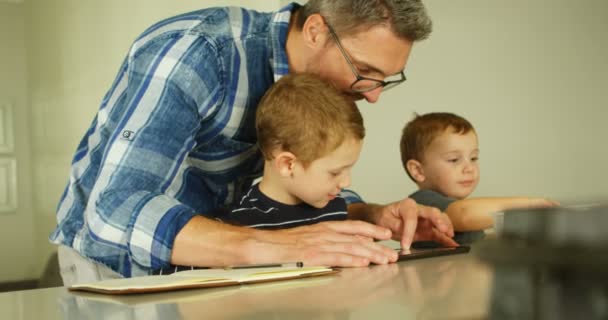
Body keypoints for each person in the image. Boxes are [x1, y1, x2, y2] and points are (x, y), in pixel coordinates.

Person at [51, 0, 457, 284]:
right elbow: (113, 211)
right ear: (316, 31)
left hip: (212, 274)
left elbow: (290, 184)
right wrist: (276, 245)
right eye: (365, 71)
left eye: (385, 80)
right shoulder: (199, 53)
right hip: (116, 270)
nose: (372, 95)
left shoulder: (328, 89)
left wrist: (367, 217)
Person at [214, 73, 364, 230]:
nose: (347, 182)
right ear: (287, 164)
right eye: (335, 173)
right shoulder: (238, 226)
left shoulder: (338, 209)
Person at [400, 112, 557, 243]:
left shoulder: (455, 205)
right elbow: (465, 215)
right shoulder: (421, 203)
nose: (469, 168)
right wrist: (531, 204)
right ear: (418, 171)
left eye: (474, 158)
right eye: (454, 160)